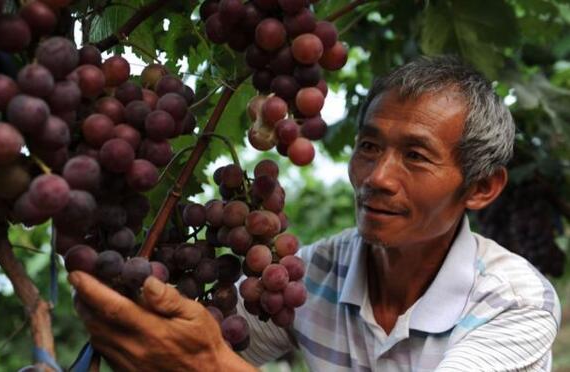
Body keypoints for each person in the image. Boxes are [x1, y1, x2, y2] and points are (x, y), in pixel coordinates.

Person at [68, 56, 561, 371]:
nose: (376, 176)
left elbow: (207, 357)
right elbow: (178, 345)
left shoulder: (515, 304)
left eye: (415, 155)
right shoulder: (316, 275)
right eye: (369, 146)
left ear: (481, 187)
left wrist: (213, 364)